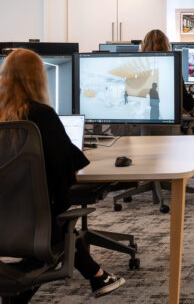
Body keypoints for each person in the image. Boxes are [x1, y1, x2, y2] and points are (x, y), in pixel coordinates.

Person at [0, 49, 125, 300]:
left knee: (59, 229)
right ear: (38, 78)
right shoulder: (41, 115)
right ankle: (96, 276)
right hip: (37, 226)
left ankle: (98, 276)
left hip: (4, 218)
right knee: (63, 231)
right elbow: (68, 170)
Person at [140, 29, 194, 111]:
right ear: (166, 46)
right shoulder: (172, 69)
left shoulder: (140, 70)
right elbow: (188, 105)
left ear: (143, 46)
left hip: (143, 119)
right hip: (166, 119)